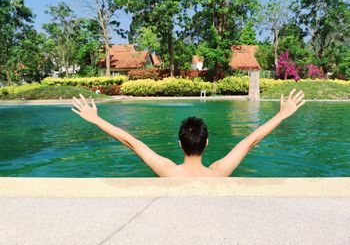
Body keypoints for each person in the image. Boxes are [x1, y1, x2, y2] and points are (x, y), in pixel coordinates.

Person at [71, 89, 305, 177]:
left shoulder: (167, 171)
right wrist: (282, 114)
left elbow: (130, 141)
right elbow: (251, 140)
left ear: (180, 144)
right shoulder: (218, 173)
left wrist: (95, 118)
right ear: (206, 143)